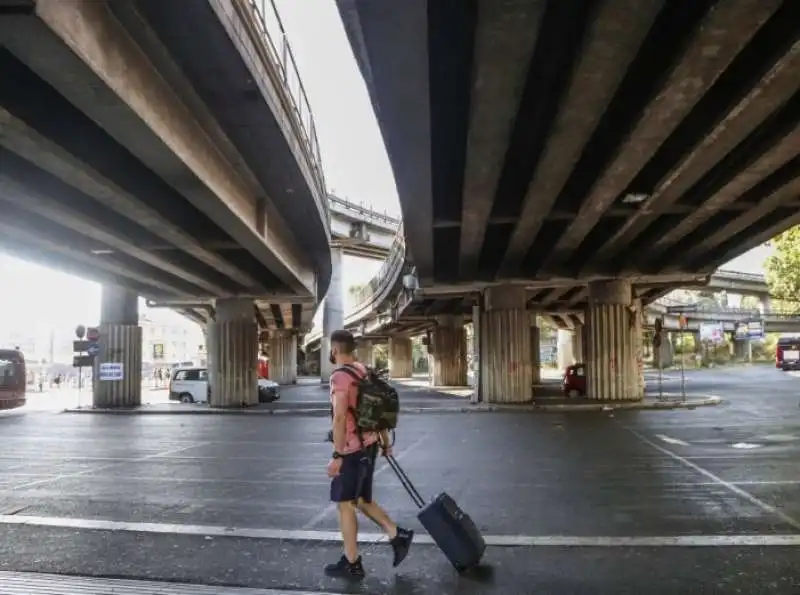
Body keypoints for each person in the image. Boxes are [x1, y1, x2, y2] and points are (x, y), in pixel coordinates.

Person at [324, 329, 414, 579]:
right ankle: (397, 534)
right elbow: (377, 409)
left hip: (352, 449)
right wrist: (385, 442)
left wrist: (337, 455)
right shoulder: (363, 370)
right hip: (371, 444)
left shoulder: (340, 377)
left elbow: (340, 417)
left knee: (345, 505)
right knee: (362, 500)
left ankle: (352, 563)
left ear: (334, 350)